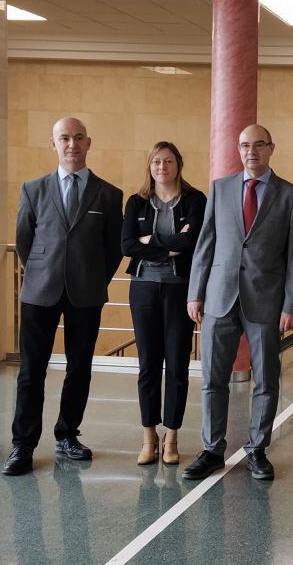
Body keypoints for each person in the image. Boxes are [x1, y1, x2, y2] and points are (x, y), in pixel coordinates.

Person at [182, 124, 293, 482]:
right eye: (244, 145)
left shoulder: (292, 196)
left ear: (271, 148)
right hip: (220, 298)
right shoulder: (220, 189)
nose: (250, 151)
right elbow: (205, 243)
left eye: (258, 145)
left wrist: (291, 304)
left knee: (266, 379)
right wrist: (196, 292)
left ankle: (257, 449)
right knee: (212, 380)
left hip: (266, 301)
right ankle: (211, 450)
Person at [2, 117, 124, 476]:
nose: (72, 144)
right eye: (64, 138)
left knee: (79, 367)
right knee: (31, 370)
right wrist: (42, 270)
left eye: (78, 138)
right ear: (53, 144)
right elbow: (25, 240)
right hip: (40, 290)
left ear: (89, 143)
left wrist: (94, 277)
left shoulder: (108, 193)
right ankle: (22, 445)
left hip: (86, 292)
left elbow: (113, 247)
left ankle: (67, 434)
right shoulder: (33, 189)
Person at [121, 141, 206, 466]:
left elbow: (191, 241)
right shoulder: (137, 202)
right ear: (150, 166)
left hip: (179, 290)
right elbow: (127, 245)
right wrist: (170, 245)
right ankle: (149, 437)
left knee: (178, 366)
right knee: (148, 366)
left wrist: (150, 241)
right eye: (156, 161)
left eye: (168, 161)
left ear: (178, 164)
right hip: (143, 289)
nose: (162, 167)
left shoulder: (195, 200)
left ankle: (171, 437)